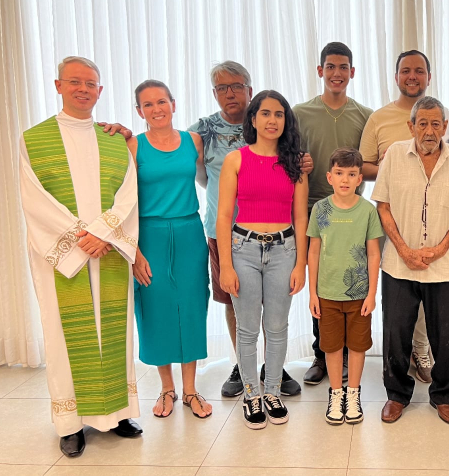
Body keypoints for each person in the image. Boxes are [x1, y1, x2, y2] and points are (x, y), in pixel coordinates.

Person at [101, 61, 307, 397]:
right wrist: (124, 134)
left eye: (237, 86)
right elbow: (183, 165)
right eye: (222, 88)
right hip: (220, 229)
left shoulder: (270, 127)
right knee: (234, 301)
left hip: (273, 233)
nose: (230, 93)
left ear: (249, 90)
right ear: (214, 93)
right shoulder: (202, 132)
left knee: (272, 307)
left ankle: (273, 369)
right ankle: (242, 367)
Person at [19, 56, 142, 457]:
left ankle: (118, 413)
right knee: (64, 335)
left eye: (90, 83)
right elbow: (35, 200)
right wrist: (81, 237)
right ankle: (70, 425)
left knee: (115, 332)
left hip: (108, 252)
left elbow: (128, 194)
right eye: (75, 82)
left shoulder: (114, 140)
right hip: (63, 256)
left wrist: (104, 233)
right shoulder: (34, 139)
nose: (83, 89)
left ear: (100, 91)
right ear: (58, 85)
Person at [373, 96, 449, 425]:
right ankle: (396, 395)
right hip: (399, 264)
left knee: (446, 336)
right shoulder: (394, 155)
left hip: (443, 266)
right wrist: (404, 250)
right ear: (411, 127)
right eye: (423, 123)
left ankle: (445, 396)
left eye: (436, 124)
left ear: (445, 127)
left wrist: (441, 248)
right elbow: (383, 206)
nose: (430, 131)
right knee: (396, 333)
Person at [359, 49, 449, 384]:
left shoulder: (447, 118)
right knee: (400, 298)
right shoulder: (379, 118)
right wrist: (393, 164)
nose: (412, 76)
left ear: (429, 76)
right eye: (405, 70)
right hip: (394, 219)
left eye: (419, 70)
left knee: (430, 294)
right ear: (396, 76)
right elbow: (364, 166)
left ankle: (422, 349)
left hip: (436, 225)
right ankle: (399, 369)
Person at [217, 90, 308, 429]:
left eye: (279, 114)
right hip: (244, 249)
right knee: (247, 329)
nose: (272, 120)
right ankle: (251, 394)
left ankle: (272, 392)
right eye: (265, 113)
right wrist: (226, 265)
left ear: (286, 120)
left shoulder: (296, 163)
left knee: (278, 327)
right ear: (253, 119)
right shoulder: (236, 160)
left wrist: (300, 264)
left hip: (284, 250)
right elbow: (223, 216)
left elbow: (301, 217)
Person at [129, 80, 212, 419]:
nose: (156, 109)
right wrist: (134, 251)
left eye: (161, 101)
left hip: (190, 231)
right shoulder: (133, 145)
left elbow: (209, 180)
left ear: (173, 104)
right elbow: (125, 201)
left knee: (192, 306)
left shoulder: (193, 141)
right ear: (139, 111)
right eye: (148, 104)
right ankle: (167, 388)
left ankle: (190, 389)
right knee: (155, 308)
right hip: (149, 235)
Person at [293, 42, 373, 385]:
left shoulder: (365, 115)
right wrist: (300, 162)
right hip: (314, 208)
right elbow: (285, 157)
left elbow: (370, 165)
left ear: (352, 72)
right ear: (320, 71)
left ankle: (348, 353)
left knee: (350, 279)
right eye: (330, 67)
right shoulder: (300, 113)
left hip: (353, 212)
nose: (336, 73)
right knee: (321, 283)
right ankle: (321, 354)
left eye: (343, 67)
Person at [307, 148, 383, 425]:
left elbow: (373, 253)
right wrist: (312, 293)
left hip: (359, 294)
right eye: (339, 173)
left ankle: (353, 394)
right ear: (329, 177)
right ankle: (336, 393)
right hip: (327, 293)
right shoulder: (320, 209)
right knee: (332, 346)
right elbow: (313, 251)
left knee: (358, 346)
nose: (345, 179)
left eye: (352, 174)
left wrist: (372, 293)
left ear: (360, 179)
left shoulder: (367, 211)